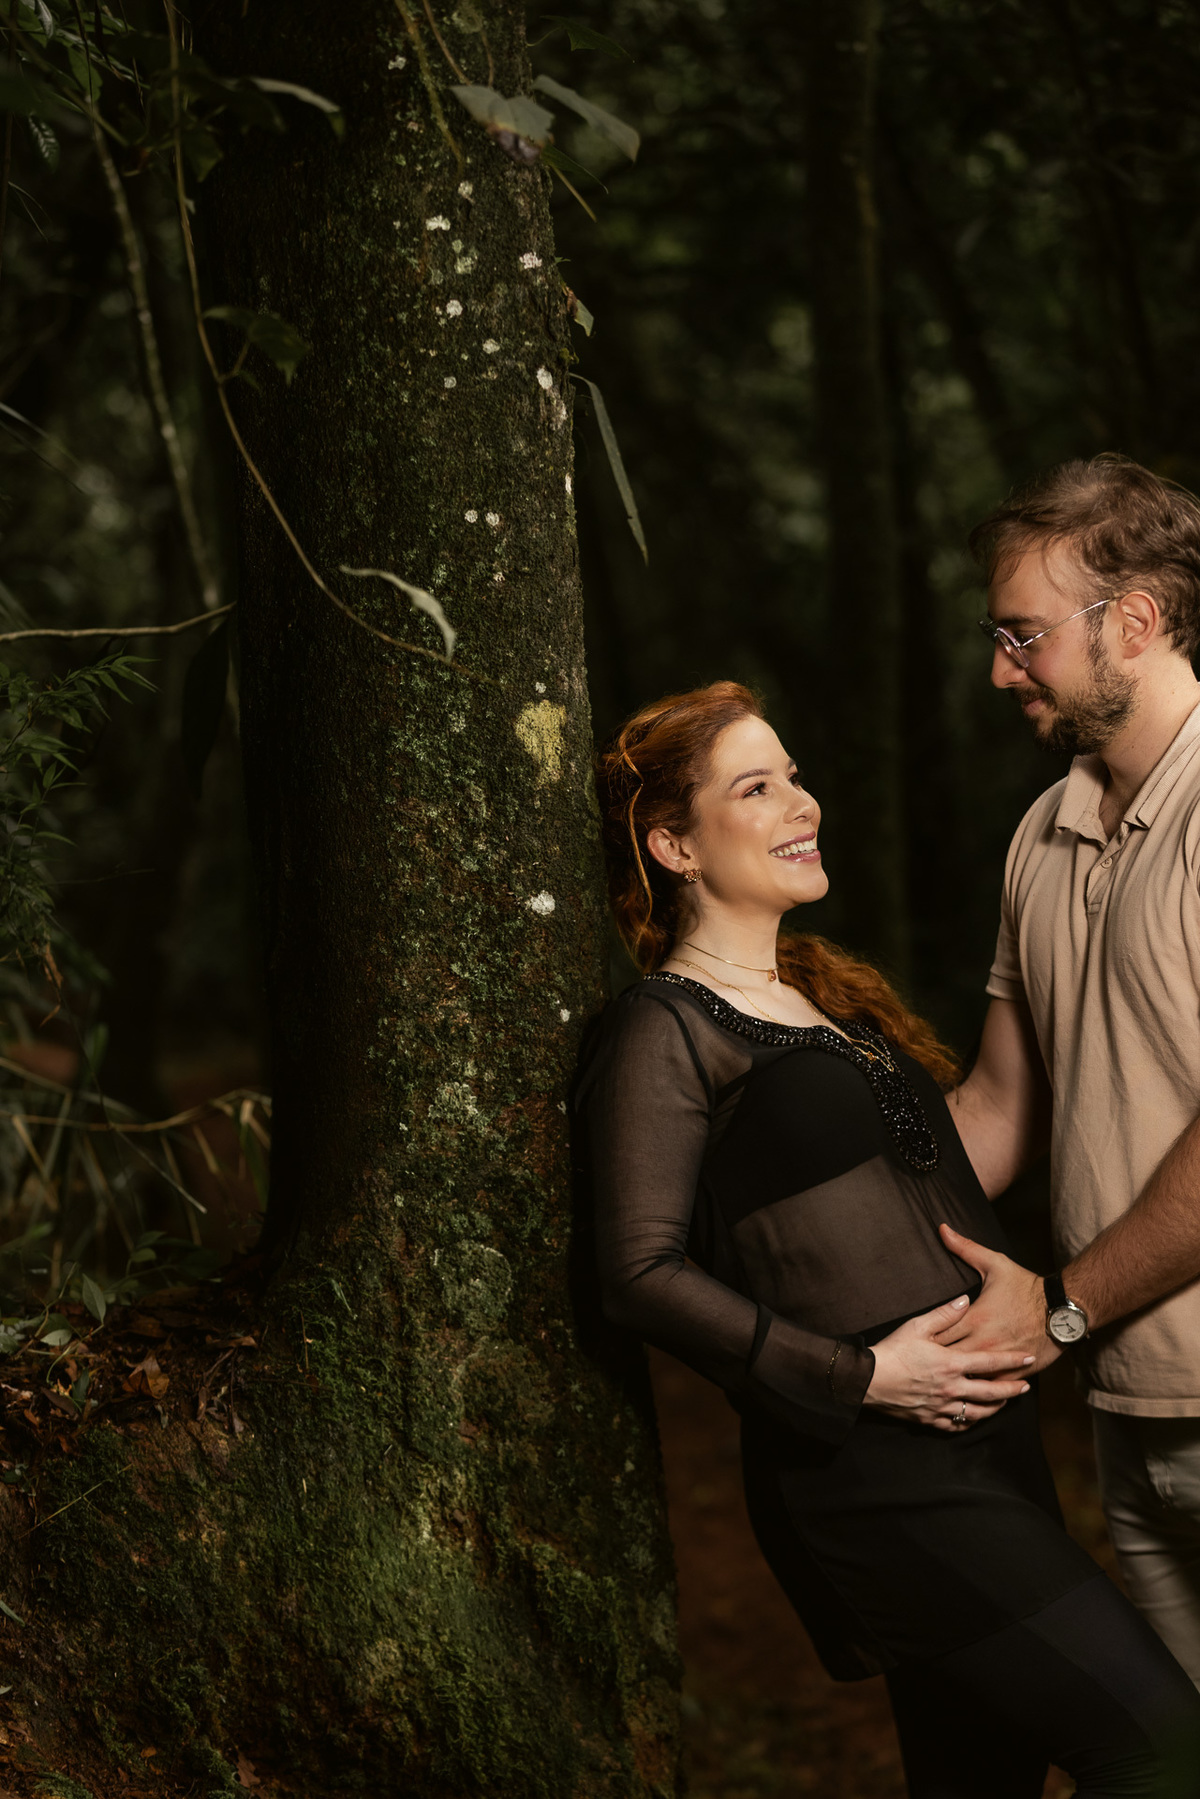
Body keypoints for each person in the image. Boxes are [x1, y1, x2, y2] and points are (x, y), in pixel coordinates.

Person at [575, 680, 1200, 1799]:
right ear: (673, 843)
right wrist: (860, 1373)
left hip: (989, 1442)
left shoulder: (827, 1003)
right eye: (755, 788)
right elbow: (636, 1272)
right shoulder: (661, 1027)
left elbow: (957, 1154)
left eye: (795, 775)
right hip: (878, 1473)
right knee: (1161, 1747)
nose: (799, 803)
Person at [943, 457, 1200, 1693]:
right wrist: (788, 1211)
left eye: (1023, 635)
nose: (1001, 669)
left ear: (1134, 622)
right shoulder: (1040, 836)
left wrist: (1054, 1312)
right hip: (1126, 1408)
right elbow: (997, 1111)